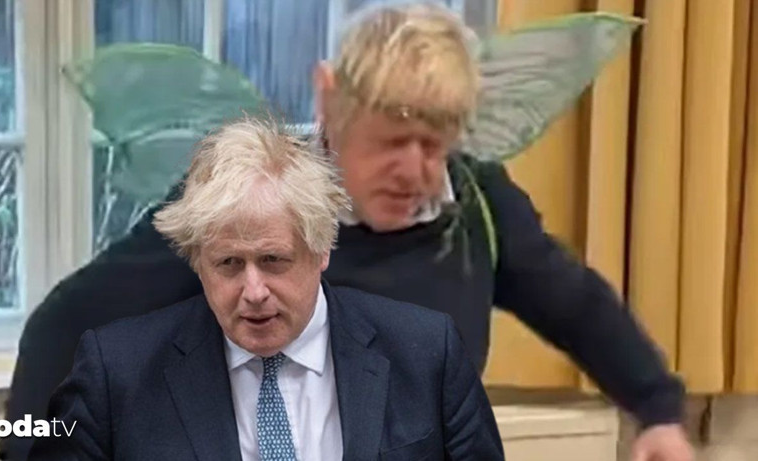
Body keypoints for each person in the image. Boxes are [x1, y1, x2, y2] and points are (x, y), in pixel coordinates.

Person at [0, 4, 694, 461]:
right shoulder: (247, 201)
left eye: (435, 144)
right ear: (329, 98)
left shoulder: (478, 205)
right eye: (392, 140)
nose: (415, 170)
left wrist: (659, 409)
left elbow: (577, 306)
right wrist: (28, 445)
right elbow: (67, 319)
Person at [26, 117, 504, 461]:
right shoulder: (118, 374)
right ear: (198, 263)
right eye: (229, 264)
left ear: (321, 250)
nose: (253, 291)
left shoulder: (427, 354)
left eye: (273, 261)